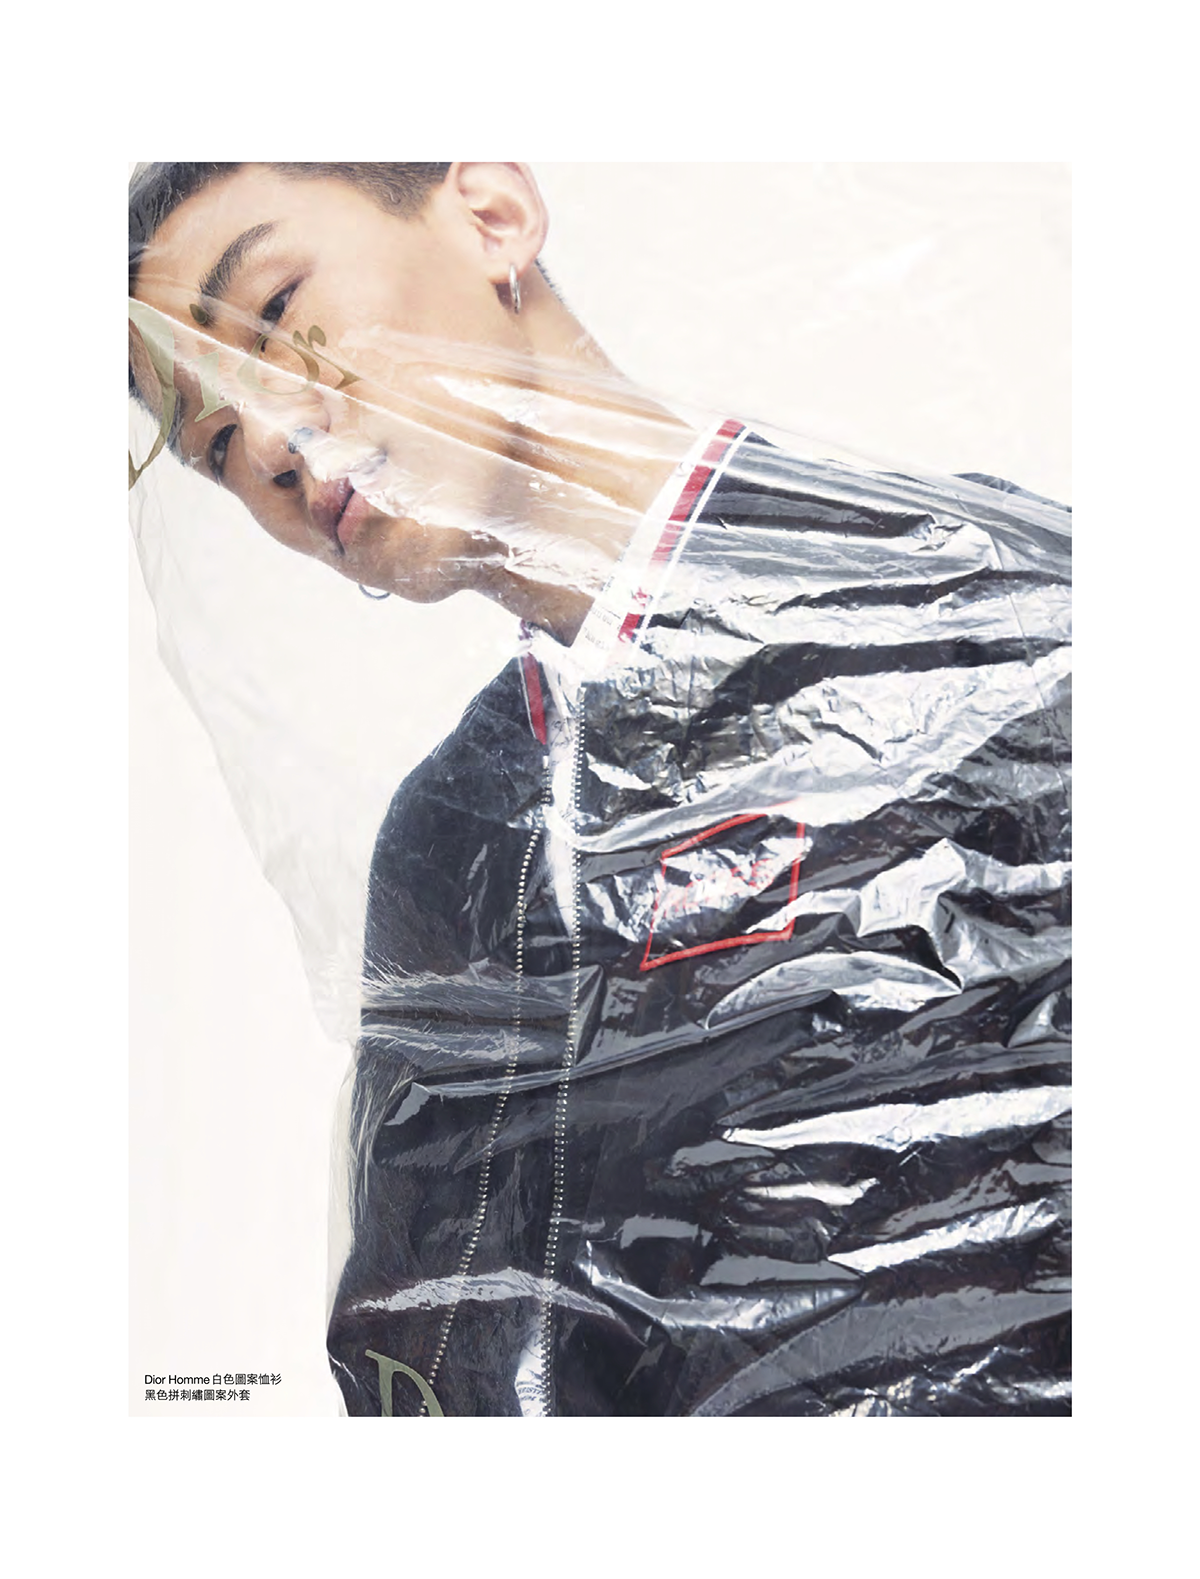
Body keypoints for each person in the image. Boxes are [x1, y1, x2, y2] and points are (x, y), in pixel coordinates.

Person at [129, 162, 1071, 1416]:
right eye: (213, 443)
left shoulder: (972, 611)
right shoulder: (453, 844)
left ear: (491, 217)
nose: (269, 445)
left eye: (275, 317)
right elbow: (441, 1370)